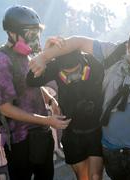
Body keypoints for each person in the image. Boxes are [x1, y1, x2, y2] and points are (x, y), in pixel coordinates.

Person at [29, 28, 130, 180]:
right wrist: (44, 57)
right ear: (127, 46)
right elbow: (78, 42)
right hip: (110, 148)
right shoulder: (113, 52)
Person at [0, 6, 70, 180]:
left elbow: (30, 86)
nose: (34, 38)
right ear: (11, 32)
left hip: (41, 135)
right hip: (20, 141)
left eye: (36, 32)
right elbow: (6, 108)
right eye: (29, 33)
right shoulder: (0, 60)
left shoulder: (26, 56)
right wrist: (47, 120)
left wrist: (50, 100)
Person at [26, 50, 104, 180]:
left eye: (76, 71)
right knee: (83, 177)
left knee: (95, 176)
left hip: (95, 130)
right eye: (67, 73)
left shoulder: (92, 62)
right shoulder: (56, 66)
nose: (73, 76)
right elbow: (31, 81)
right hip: (72, 133)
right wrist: (45, 57)